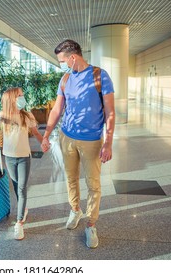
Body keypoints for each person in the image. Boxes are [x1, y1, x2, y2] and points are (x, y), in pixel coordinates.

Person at [41, 39, 115, 248]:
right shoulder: (65, 79)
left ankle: (91, 224)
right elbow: (57, 109)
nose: (62, 65)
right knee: (70, 178)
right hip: (67, 137)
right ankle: (75, 210)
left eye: (62, 61)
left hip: (91, 140)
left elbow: (110, 112)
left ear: (73, 57)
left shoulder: (100, 76)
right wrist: (46, 134)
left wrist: (107, 142)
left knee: (93, 184)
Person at [0, 87, 43, 240]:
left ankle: (19, 222)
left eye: (22, 94)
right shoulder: (2, 116)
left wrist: (44, 142)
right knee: (15, 186)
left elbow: (35, 132)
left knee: (21, 189)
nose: (23, 97)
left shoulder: (26, 115)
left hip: (24, 158)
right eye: (20, 95)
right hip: (9, 157)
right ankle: (24, 209)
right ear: (11, 99)